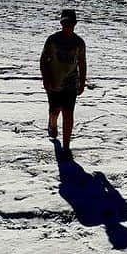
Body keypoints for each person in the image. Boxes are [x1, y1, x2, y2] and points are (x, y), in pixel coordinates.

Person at [40, 9, 87, 159]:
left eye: (70, 23)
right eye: (65, 22)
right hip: (54, 82)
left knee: (68, 114)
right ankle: (52, 123)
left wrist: (82, 82)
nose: (67, 25)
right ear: (61, 23)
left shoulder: (79, 42)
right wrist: (46, 78)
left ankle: (66, 147)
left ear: (75, 24)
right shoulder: (53, 40)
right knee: (56, 109)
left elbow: (82, 62)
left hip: (70, 84)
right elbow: (43, 61)